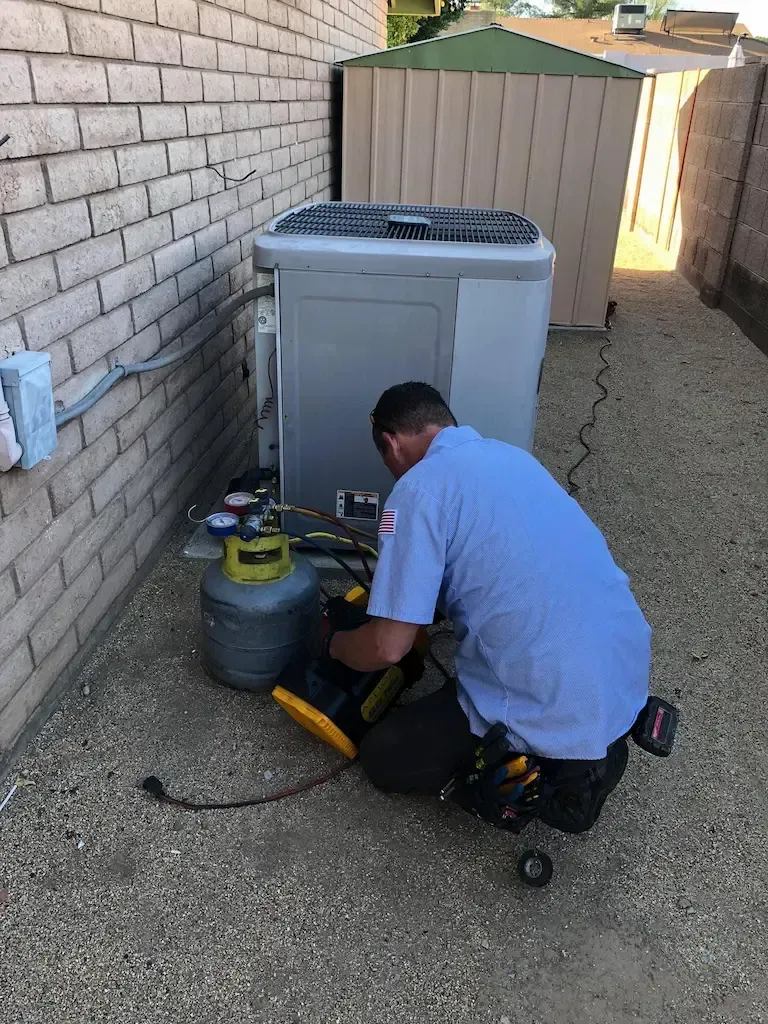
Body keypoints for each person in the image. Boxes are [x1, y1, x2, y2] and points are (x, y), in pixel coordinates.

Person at [328, 382, 651, 832]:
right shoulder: (513, 457)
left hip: (548, 697)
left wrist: (338, 645)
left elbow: (387, 648)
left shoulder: (416, 491)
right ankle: (590, 743)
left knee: (384, 757)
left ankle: (537, 767)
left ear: (390, 442)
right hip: (624, 675)